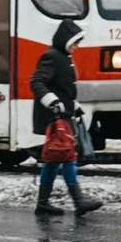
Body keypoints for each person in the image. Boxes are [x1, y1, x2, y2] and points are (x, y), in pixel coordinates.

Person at [30, 20, 102, 216]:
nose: (77, 47)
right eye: (75, 43)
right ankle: (78, 201)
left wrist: (73, 105)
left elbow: (62, 88)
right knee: (67, 156)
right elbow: (36, 82)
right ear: (65, 40)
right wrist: (53, 102)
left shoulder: (62, 56)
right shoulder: (52, 56)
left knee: (54, 158)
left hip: (62, 113)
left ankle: (43, 203)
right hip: (56, 116)